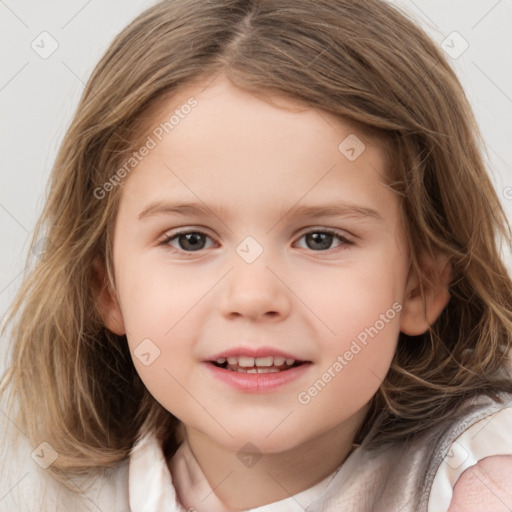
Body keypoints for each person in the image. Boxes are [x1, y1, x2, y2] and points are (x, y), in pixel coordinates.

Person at [1, 0, 512, 511]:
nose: (252, 297)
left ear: (419, 285)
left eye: (320, 239)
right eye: (190, 240)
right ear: (106, 288)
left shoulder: (480, 484)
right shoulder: (35, 488)